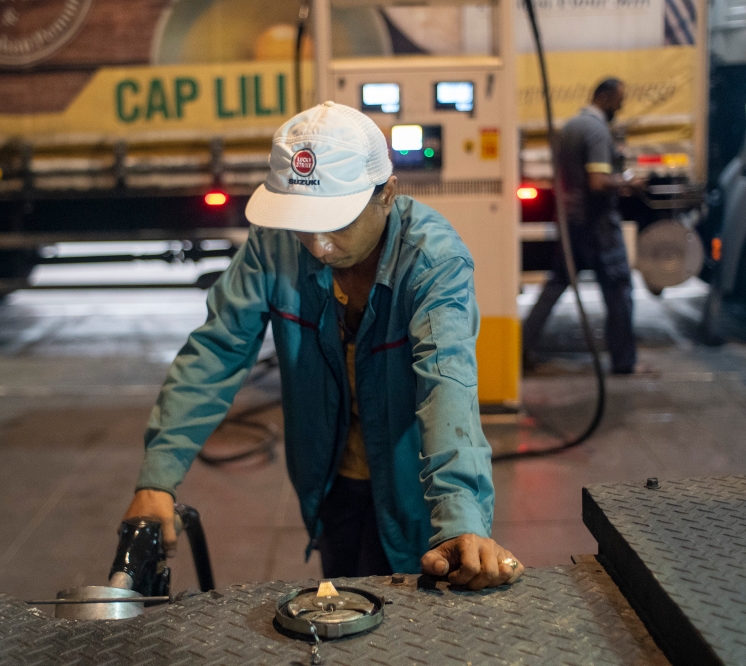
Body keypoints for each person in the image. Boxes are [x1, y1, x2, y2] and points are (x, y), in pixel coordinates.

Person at [122, 102, 524, 589]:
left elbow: (448, 383)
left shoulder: (432, 260)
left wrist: (460, 516)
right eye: (303, 222)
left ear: (387, 195)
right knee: (347, 606)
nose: (317, 245)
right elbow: (218, 348)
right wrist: (156, 477)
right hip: (329, 480)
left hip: (415, 488)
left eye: (336, 222)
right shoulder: (274, 244)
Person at [522, 78, 647, 375]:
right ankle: (624, 361)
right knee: (618, 290)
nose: (621, 106)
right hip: (597, 226)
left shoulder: (570, 127)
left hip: (570, 223)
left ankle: (520, 349)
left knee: (554, 287)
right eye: (619, 99)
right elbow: (598, 181)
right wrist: (628, 182)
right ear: (603, 98)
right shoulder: (597, 131)